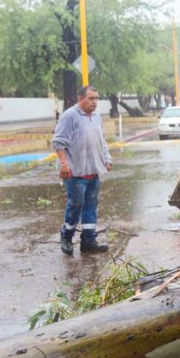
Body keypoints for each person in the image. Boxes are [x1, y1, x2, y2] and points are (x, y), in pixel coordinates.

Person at [51, 85, 112, 256]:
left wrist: (107, 158)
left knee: (91, 205)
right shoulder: (69, 116)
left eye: (96, 98)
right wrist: (64, 164)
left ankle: (88, 240)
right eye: (91, 98)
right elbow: (58, 142)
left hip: (93, 171)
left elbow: (102, 140)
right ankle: (66, 236)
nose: (95, 102)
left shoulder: (97, 116)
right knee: (76, 204)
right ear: (80, 98)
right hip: (75, 173)